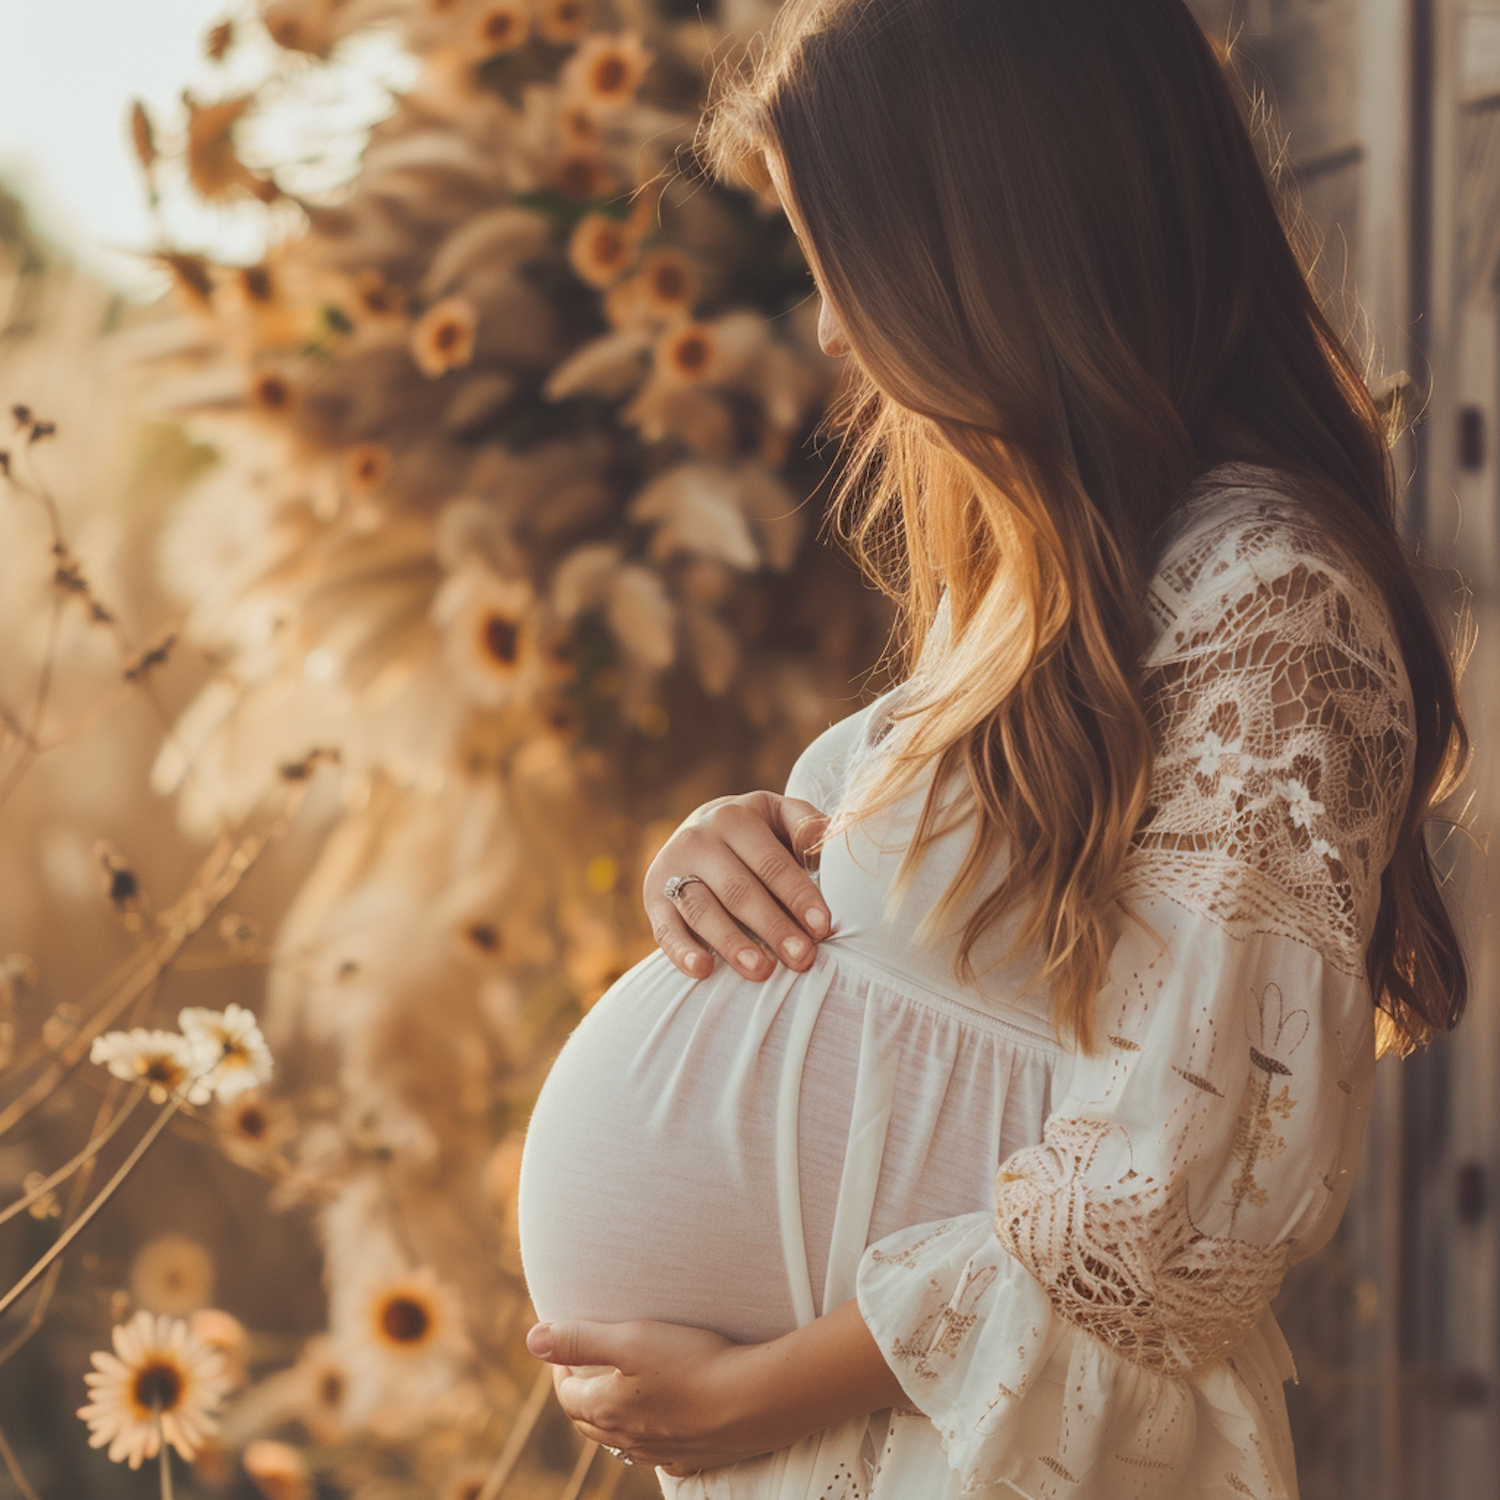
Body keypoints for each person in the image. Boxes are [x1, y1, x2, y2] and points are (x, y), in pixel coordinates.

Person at [516, 0, 1470, 1495]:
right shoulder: (1063, 581)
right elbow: (953, 947)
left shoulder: (1269, 601)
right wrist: (733, 846)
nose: (831, 327)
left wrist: (759, 1389)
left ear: (993, 236)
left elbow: (1182, 1198)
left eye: (845, 261)